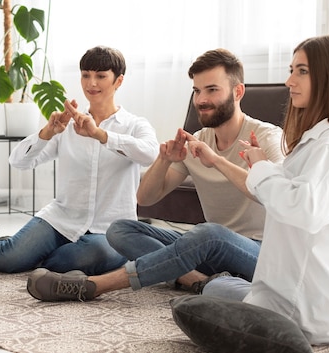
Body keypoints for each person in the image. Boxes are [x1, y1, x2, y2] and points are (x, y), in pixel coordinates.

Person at [26, 48, 284, 301]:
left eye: (212, 90)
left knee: (209, 233)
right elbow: (146, 198)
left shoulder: (266, 136)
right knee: (120, 230)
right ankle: (194, 280)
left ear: (237, 92)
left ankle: (95, 286)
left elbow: (280, 198)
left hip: (260, 252)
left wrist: (216, 161)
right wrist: (164, 160)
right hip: (208, 250)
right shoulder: (198, 141)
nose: (201, 100)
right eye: (197, 91)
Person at [199, 34, 329, 345]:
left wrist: (261, 168)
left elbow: (304, 209)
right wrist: (263, 164)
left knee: (206, 297)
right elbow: (301, 190)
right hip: (325, 301)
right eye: (291, 69)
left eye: (302, 71)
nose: (289, 80)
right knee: (218, 288)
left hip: (309, 310)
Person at [0, 46, 159, 276]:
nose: (91, 83)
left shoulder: (135, 125)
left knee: (94, 255)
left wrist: (100, 135)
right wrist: (47, 132)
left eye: (100, 76)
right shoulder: (67, 127)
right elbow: (18, 162)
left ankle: (39, 256)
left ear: (119, 81)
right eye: (86, 75)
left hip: (110, 230)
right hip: (61, 219)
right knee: (6, 260)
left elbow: (149, 154)